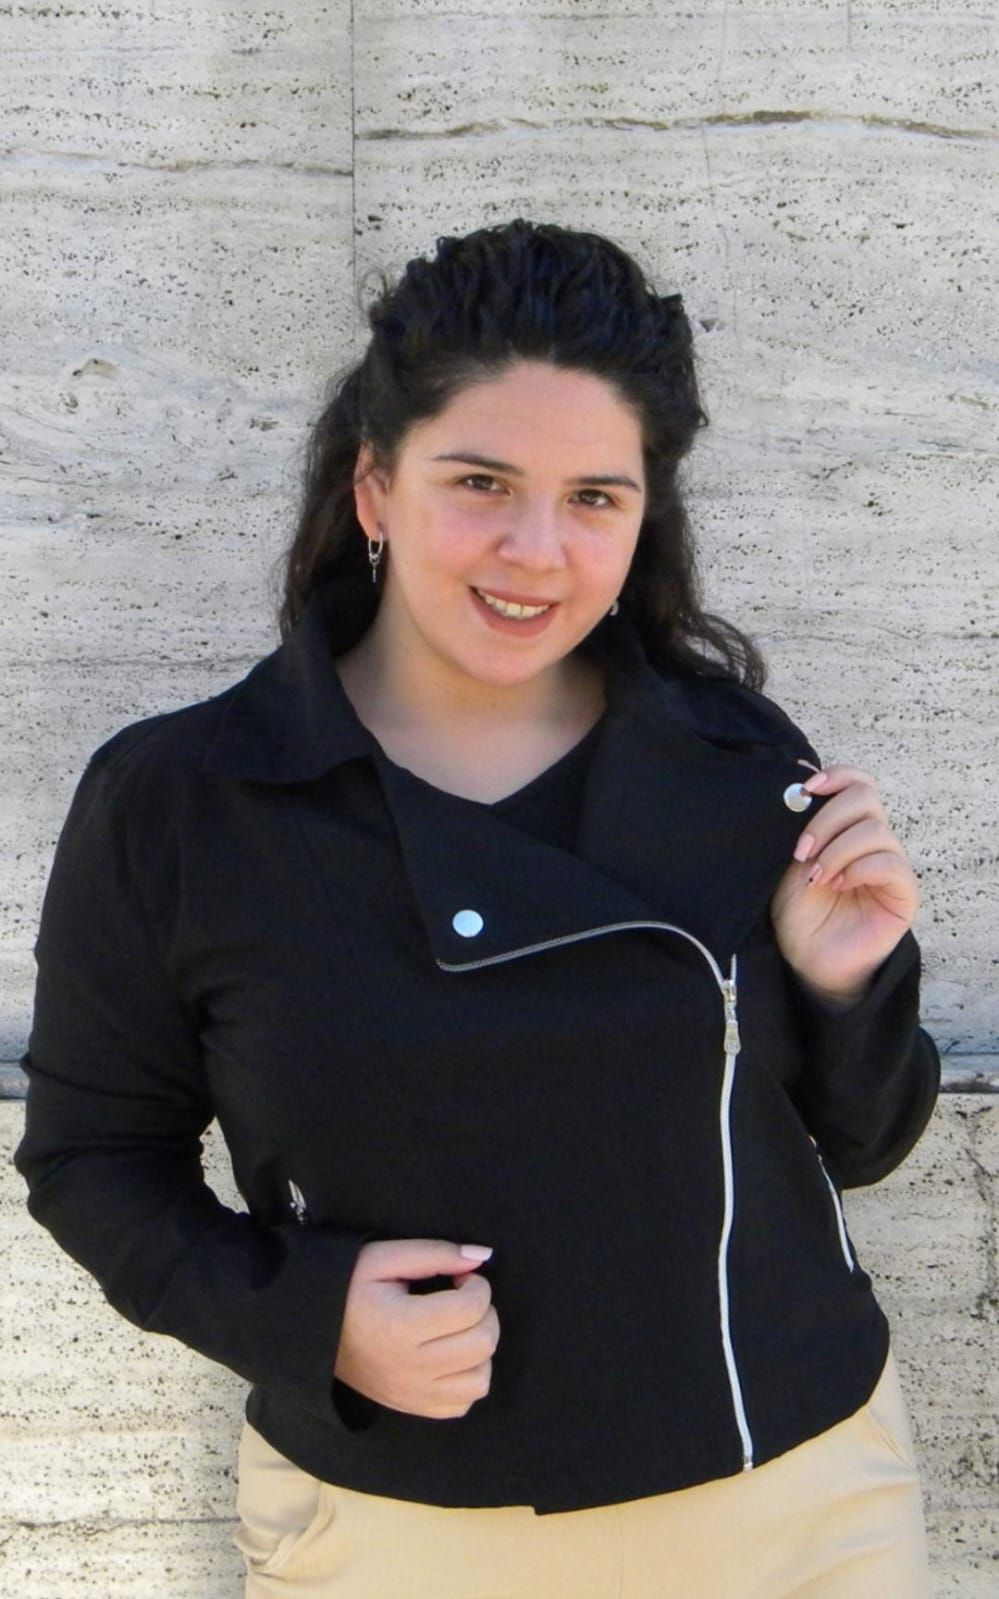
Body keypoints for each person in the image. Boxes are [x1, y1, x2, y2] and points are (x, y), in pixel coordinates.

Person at [15, 218, 940, 1598]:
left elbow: (857, 1145)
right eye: (482, 481)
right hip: (403, 1533)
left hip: (796, 1504)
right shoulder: (187, 803)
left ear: (643, 520)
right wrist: (309, 1318)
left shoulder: (733, 760)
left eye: (594, 499)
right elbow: (92, 1161)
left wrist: (843, 984)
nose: (535, 550)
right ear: (376, 489)